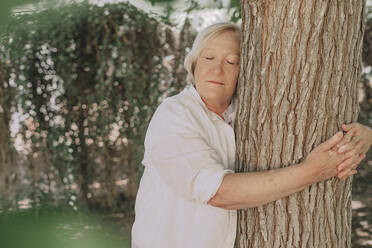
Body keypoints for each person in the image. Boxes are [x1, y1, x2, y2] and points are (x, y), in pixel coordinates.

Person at [131, 23, 372, 248]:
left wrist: (364, 136)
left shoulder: (247, 114)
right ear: (194, 65)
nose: (217, 69)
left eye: (232, 61)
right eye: (208, 58)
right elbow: (218, 192)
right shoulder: (174, 115)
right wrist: (312, 171)